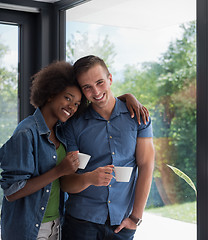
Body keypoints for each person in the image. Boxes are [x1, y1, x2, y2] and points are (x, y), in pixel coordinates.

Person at [0, 61, 148, 240]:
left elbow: (101, 100)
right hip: (32, 226)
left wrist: (126, 98)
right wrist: (63, 171)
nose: (71, 106)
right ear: (50, 94)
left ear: (110, 79)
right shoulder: (29, 132)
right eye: (67, 98)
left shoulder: (60, 130)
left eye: (76, 103)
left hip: (57, 223)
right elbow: (12, 191)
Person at [60, 55, 155, 240]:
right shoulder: (73, 125)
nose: (96, 92)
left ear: (110, 78)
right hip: (80, 222)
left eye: (100, 82)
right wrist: (88, 178)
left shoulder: (138, 117)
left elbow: (146, 167)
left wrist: (136, 218)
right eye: (87, 87)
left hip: (121, 224)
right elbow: (65, 182)